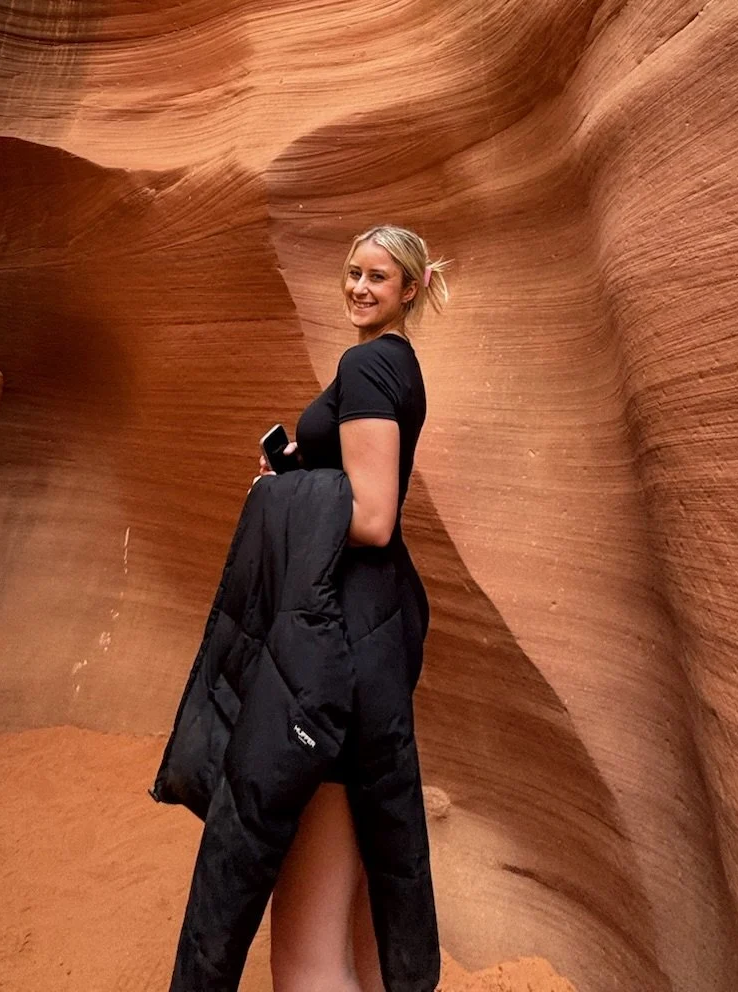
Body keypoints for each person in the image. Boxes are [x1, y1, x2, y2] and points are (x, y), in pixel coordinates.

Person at [259, 225, 448, 992]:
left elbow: (372, 517)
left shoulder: (367, 362)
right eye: (351, 273)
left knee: (302, 944)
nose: (359, 288)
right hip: (381, 622)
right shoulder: (397, 363)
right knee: (365, 880)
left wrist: (280, 493)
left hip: (348, 630)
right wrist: (304, 463)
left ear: (408, 289)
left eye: (378, 277)